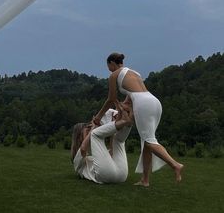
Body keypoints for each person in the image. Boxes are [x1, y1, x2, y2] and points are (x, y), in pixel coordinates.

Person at [94, 52, 184, 187]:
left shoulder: (114, 75)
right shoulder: (135, 73)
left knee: (149, 141)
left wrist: (98, 117)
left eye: (108, 66)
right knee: (146, 140)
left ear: (112, 63)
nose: (109, 69)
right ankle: (145, 180)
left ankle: (175, 165)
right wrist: (121, 108)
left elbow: (111, 99)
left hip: (143, 104)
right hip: (154, 102)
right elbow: (128, 100)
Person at [71, 107, 133, 184]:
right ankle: (126, 122)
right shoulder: (76, 162)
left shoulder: (94, 157)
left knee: (118, 140)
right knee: (95, 134)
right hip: (105, 176)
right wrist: (94, 127)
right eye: (87, 130)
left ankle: (128, 123)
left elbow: (112, 153)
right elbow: (83, 149)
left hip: (122, 176)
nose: (89, 131)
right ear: (79, 137)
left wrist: (114, 125)